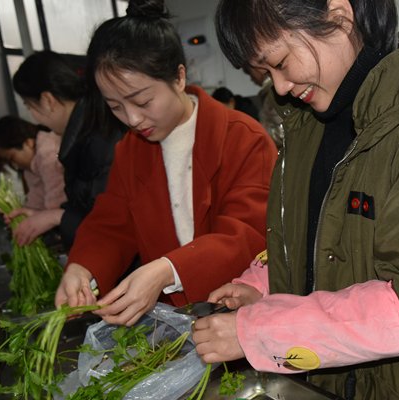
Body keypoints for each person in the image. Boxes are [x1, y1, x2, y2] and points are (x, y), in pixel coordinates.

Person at [192, 1, 399, 399]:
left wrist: (259, 332)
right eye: (266, 72)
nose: (280, 87)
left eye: (281, 62)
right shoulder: (311, 120)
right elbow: (323, 240)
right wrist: (266, 286)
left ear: (339, 17)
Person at [54, 0, 278, 327]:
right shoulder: (132, 150)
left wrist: (166, 270)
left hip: (241, 318)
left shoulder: (242, 138)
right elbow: (111, 224)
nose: (132, 118)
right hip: (177, 323)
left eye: (143, 101)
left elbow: (248, 235)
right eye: (115, 106)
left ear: (179, 77)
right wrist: (82, 267)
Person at [11, 51, 126, 249]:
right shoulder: (88, 128)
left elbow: (113, 223)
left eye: (29, 106)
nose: (33, 116)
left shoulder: (96, 138)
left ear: (47, 100)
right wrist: (46, 217)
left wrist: (57, 217)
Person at [0, 115, 66, 213]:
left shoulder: (47, 154)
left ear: (28, 143)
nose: (14, 165)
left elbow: (57, 201)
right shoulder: (30, 169)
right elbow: (36, 199)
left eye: (12, 158)